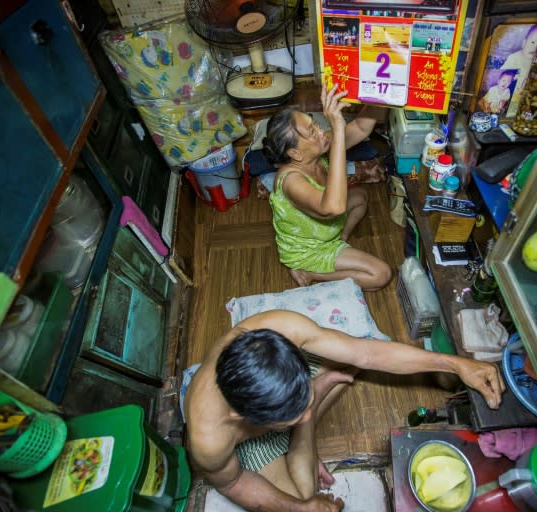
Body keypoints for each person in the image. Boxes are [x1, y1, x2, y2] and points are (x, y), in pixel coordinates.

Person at [181, 310, 505, 512]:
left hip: (280, 386)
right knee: (304, 494)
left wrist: (455, 363)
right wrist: (299, 508)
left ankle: (316, 393)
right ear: (245, 418)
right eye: (295, 416)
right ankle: (319, 392)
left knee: (351, 354)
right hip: (251, 437)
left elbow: (366, 353)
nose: (308, 414)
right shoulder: (209, 439)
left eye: (307, 404)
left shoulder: (275, 328)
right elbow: (232, 482)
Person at [262, 84, 391, 291]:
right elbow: (334, 208)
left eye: (316, 124)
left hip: (326, 229)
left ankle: (341, 239)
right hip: (309, 249)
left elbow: (360, 127)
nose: (322, 132)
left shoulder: (313, 149)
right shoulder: (291, 181)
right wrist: (338, 129)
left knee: (360, 198)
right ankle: (312, 272)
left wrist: (382, 93)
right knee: (381, 274)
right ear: (295, 154)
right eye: (312, 131)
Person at [500, 24, 537, 116]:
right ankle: (509, 116)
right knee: (511, 109)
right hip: (514, 92)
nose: (535, 47)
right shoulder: (514, 58)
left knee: (528, 108)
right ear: (524, 43)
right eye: (532, 42)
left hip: (529, 95)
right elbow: (503, 75)